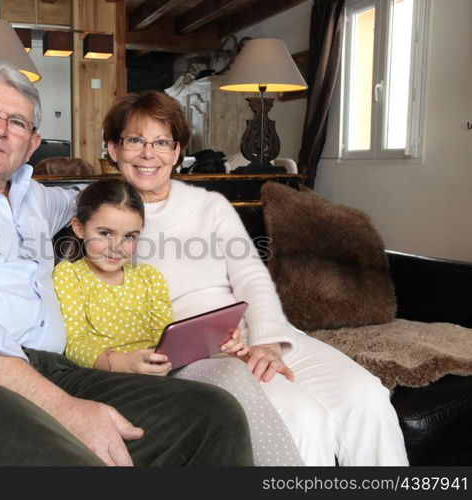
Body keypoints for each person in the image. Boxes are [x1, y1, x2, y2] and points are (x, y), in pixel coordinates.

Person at [0, 62, 253, 466]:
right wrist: (64, 408)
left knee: (214, 414)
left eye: (17, 122)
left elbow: (97, 198)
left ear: (32, 142)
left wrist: (140, 165)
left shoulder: (36, 199)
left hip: (44, 368)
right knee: (67, 462)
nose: (0, 129)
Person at [102, 90, 409, 466]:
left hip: (256, 332)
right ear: (113, 149)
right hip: (194, 354)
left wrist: (267, 341)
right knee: (301, 418)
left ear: (178, 152)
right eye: (135, 140)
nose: (149, 153)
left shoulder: (209, 205)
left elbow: (251, 276)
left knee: (368, 397)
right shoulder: (102, 220)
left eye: (162, 141)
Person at [53, 178, 302, 466]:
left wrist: (220, 343)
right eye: (105, 232)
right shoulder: (69, 276)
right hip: (111, 378)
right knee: (217, 403)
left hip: (162, 370)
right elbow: (74, 343)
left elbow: (167, 337)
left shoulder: (148, 278)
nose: (117, 247)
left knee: (232, 372)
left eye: (130, 237)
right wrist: (121, 362)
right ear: (79, 227)